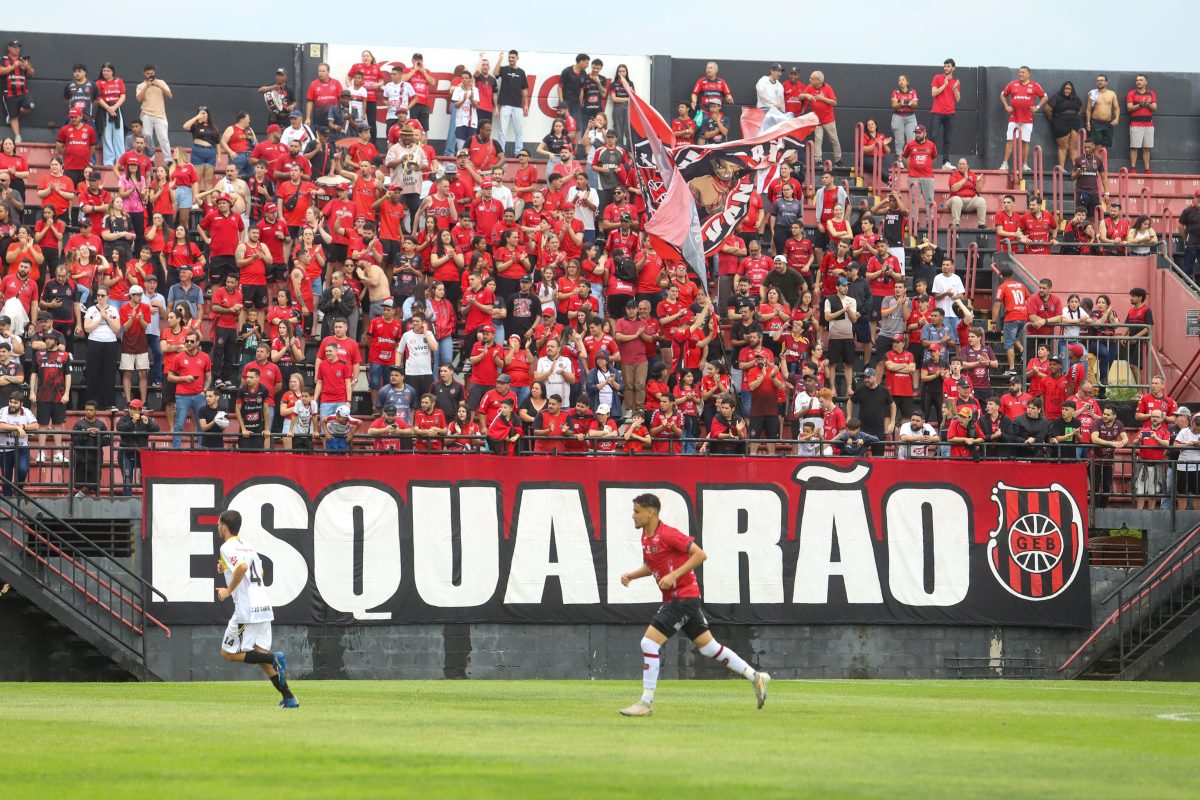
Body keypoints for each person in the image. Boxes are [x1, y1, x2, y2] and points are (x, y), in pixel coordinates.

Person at [618, 493, 770, 717]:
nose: (633, 515)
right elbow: (652, 565)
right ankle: (756, 676)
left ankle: (645, 703)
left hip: (682, 598)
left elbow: (700, 554)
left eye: (637, 511)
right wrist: (632, 575)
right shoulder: (646, 538)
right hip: (681, 599)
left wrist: (674, 575)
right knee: (709, 647)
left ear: (650, 513)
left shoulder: (668, 534)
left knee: (648, 643)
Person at [215, 509, 298, 708]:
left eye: (218, 524)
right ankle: (289, 697)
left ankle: (274, 657)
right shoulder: (248, 546)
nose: (218, 527)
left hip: (247, 611)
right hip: (263, 607)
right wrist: (226, 568)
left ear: (224, 527)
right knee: (260, 657)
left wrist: (227, 591)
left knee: (228, 653)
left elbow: (243, 568)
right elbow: (259, 572)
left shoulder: (227, 547)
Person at [999, 67, 1046, 172]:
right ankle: (1005, 164)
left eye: (1023, 72)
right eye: (1019, 72)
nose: (1020, 74)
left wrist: (1037, 107)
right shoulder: (1012, 84)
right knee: (1010, 140)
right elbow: (1002, 95)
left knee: (1025, 141)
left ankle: (1024, 164)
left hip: (1027, 119)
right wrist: (1006, 106)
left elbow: (1044, 97)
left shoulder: (1034, 85)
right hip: (1014, 118)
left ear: (1028, 74)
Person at [114, 399, 158, 496]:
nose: (132, 410)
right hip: (126, 453)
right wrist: (132, 422)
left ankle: (147, 499)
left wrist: (148, 424)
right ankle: (127, 500)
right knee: (127, 478)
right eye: (131, 408)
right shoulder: (124, 418)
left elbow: (156, 429)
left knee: (146, 478)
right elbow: (119, 428)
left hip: (142, 454)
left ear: (140, 410)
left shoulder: (145, 418)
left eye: (135, 409)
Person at [799, 70, 841, 166]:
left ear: (818, 80)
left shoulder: (827, 88)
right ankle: (818, 160)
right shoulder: (809, 87)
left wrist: (822, 98)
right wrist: (806, 95)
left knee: (834, 140)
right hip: (817, 120)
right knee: (818, 140)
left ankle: (838, 160)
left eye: (812, 78)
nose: (810, 79)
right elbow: (800, 97)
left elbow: (834, 102)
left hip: (828, 120)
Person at [0, 390, 36, 495]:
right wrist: (16, 428)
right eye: (11, 402)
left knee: (23, 469)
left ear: (21, 404)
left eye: (15, 403)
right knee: (6, 476)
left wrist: (22, 426)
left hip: (22, 448)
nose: (12, 405)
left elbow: (36, 425)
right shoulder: (3, 410)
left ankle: (19, 489)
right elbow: (1, 425)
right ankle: (8, 499)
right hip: (5, 448)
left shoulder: (26, 411)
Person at [135, 65, 172, 161]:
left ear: (154, 73)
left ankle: (168, 160)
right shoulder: (140, 85)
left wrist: (158, 85)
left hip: (160, 115)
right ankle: (149, 160)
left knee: (164, 138)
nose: (150, 75)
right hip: (146, 115)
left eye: (151, 73)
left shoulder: (161, 82)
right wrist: (147, 86)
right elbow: (138, 99)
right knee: (147, 139)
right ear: (144, 74)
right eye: (148, 73)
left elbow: (170, 95)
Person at [1044, 81, 1082, 170]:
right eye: (1066, 88)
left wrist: (1074, 117)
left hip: (1074, 124)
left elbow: (1080, 110)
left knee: (1073, 147)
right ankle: (1061, 168)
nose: (1067, 90)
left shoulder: (1076, 98)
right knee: (1063, 147)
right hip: (1060, 124)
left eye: (1069, 89)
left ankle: (1076, 169)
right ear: (1062, 89)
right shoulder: (1057, 97)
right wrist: (1055, 121)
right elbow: (1047, 110)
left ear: (1072, 90)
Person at [1126, 74, 1157, 174]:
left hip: (1149, 125)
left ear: (1146, 82)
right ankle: (1133, 169)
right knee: (1134, 147)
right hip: (1135, 124)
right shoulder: (1131, 93)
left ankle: (1147, 169)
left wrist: (1148, 104)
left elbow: (1154, 108)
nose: (1138, 82)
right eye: (1137, 80)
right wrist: (1141, 105)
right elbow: (1129, 108)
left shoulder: (1151, 93)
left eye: (1141, 80)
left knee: (1147, 148)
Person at [946, 158, 987, 228]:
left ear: (968, 166)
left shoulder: (972, 175)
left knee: (981, 201)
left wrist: (978, 181)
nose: (961, 166)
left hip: (970, 201)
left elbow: (978, 190)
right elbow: (953, 189)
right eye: (960, 164)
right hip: (955, 200)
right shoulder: (954, 175)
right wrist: (965, 178)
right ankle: (955, 223)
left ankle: (981, 224)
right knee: (957, 200)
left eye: (963, 164)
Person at [1086, 74, 1120, 149]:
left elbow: (1116, 108)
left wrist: (1117, 119)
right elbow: (1088, 109)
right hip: (1096, 123)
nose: (1099, 82)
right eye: (1097, 81)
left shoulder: (1112, 94)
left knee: (1106, 145)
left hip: (1108, 123)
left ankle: (1104, 157)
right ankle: (1097, 157)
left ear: (1106, 82)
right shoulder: (1092, 94)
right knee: (1097, 144)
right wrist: (1088, 122)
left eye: (1101, 80)